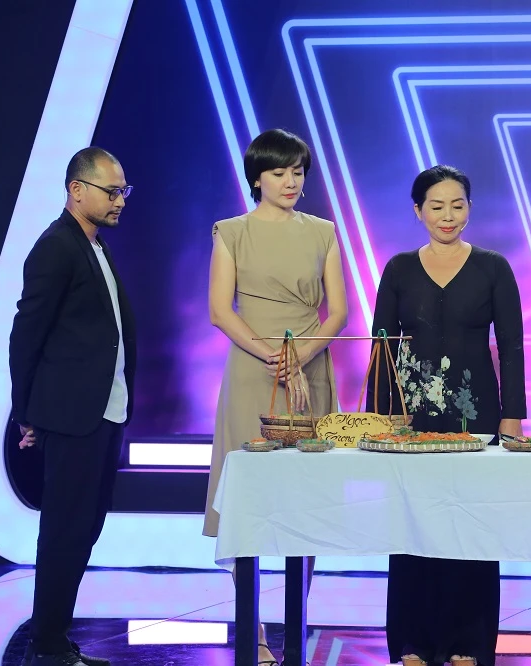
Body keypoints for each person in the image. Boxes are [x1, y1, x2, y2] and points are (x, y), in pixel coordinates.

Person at [366, 164, 527, 666]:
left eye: (457, 205)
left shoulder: (493, 268)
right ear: (418, 211)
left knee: (471, 524)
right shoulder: (398, 269)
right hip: (410, 422)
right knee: (411, 524)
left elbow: (512, 345)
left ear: (470, 209)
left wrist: (512, 416)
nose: (448, 215)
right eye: (436, 206)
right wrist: (378, 419)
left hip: (476, 419)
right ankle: (412, 642)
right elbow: (381, 349)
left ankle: (467, 643)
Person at [203, 128, 348, 666]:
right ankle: (254, 631)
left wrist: (299, 356)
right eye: (279, 172)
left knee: (306, 496)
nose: (291, 181)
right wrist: (273, 355)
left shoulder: (323, 232)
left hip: (310, 368)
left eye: (298, 172)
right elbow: (221, 310)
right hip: (252, 366)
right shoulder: (231, 232)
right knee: (248, 496)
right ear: (257, 178)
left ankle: (296, 624)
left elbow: (338, 312)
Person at [10, 146, 136, 666]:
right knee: (65, 529)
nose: (120, 200)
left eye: (124, 191)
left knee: (85, 527)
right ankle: (46, 643)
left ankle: (55, 638)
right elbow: (26, 334)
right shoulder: (56, 247)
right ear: (76, 190)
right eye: (112, 191)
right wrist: (26, 413)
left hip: (104, 412)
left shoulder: (93, 246)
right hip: (71, 416)